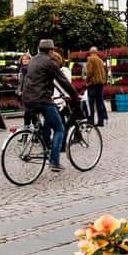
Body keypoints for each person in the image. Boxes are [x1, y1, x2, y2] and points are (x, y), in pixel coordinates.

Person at [22, 39, 80, 173]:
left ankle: (46, 145)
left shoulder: (33, 60)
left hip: (28, 99)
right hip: (42, 99)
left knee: (47, 124)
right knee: (59, 128)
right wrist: (75, 95)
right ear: (51, 50)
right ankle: (54, 161)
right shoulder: (49, 62)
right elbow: (62, 80)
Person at [84, 47, 108, 126]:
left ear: (90, 52)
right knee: (99, 103)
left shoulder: (90, 59)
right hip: (100, 84)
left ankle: (91, 121)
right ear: (96, 52)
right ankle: (101, 121)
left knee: (91, 103)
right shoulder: (100, 60)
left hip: (92, 83)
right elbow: (104, 72)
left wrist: (86, 80)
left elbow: (89, 72)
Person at [16, 52, 32, 126]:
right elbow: (20, 82)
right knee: (29, 113)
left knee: (29, 114)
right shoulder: (21, 70)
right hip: (23, 94)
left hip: (29, 94)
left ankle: (28, 129)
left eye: (26, 59)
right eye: (23, 59)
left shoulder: (31, 69)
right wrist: (19, 90)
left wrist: (23, 91)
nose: (25, 61)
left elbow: (29, 82)